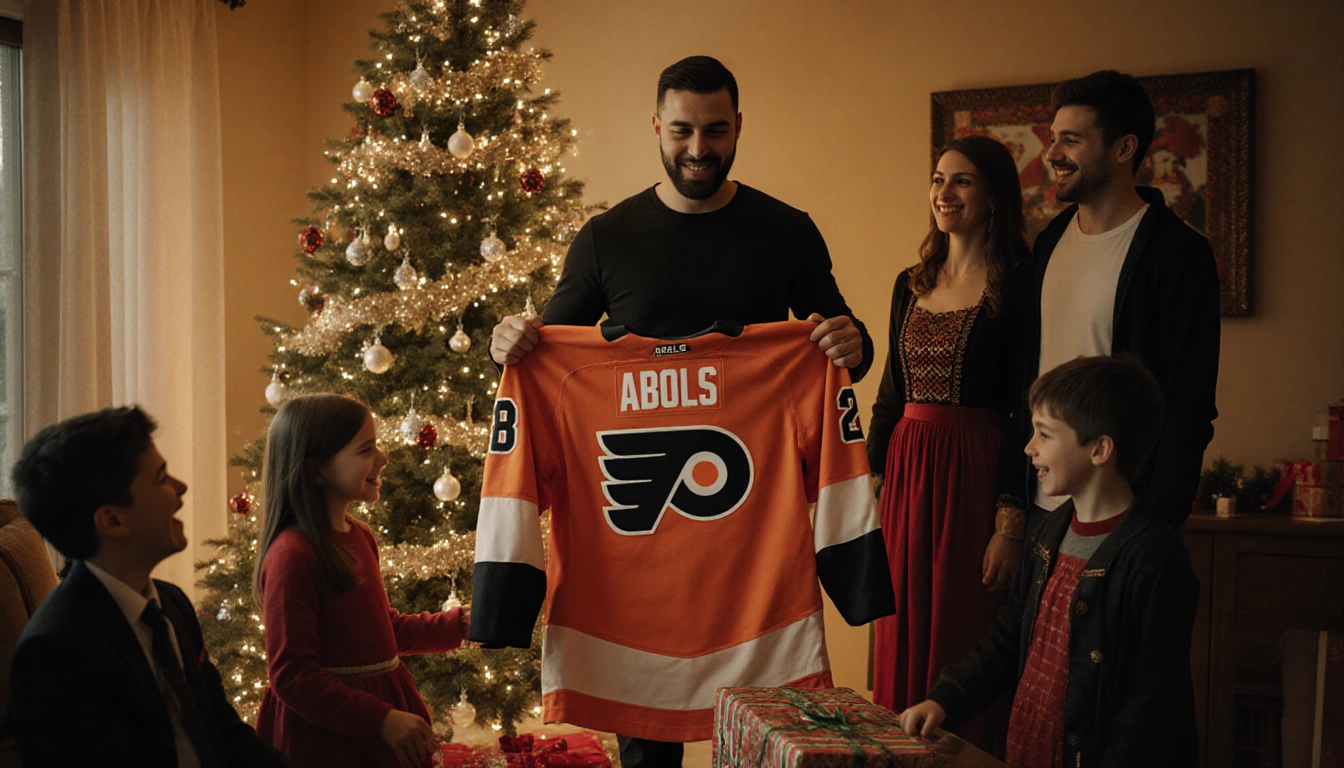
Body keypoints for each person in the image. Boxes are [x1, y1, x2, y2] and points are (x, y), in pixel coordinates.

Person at [487, 55, 876, 768]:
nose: (699, 150)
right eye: (682, 132)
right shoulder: (608, 238)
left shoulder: (785, 230)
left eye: (715, 131)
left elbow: (842, 353)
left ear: (738, 128)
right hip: (636, 566)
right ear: (656, 128)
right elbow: (550, 360)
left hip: (753, 556)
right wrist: (508, 342)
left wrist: (855, 342)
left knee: (764, 744)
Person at [899, 354, 1200, 767]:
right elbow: (1009, 637)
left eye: (1044, 434)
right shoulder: (1047, 534)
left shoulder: (1154, 562)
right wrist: (946, 699)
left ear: (1100, 449)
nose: (1028, 446)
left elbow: (1151, 709)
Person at [867, 134, 1032, 753]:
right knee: (898, 625)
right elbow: (889, 393)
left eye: (961, 181)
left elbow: (1026, 403)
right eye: (938, 179)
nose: (944, 192)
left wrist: (1010, 521)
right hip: (908, 474)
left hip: (975, 478)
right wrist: (871, 482)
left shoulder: (1019, 284)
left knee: (963, 626)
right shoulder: (910, 283)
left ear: (993, 196)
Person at [8, 406, 289, 768]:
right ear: (112, 520)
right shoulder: (56, 653)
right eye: (160, 478)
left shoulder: (171, 604)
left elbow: (223, 729)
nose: (180, 488)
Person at [1025, 70, 1220, 536]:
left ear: (1124, 149)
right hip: (1042, 509)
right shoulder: (1049, 241)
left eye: (1070, 140)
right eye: (1053, 139)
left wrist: (1155, 523)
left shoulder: (1178, 254)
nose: (1052, 154)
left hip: (1124, 516)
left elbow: (1188, 404)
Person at [253, 394, 470, 768]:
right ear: (316, 469)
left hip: (378, 726)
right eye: (366, 450)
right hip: (329, 739)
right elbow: (292, 676)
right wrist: (380, 719)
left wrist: (459, 623)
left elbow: (382, 631)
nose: (383, 458)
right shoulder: (292, 555)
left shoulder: (360, 536)